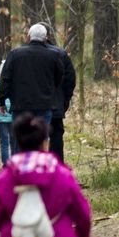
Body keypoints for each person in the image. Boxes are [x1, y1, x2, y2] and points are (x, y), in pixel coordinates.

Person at [0, 24, 65, 133]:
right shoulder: (54, 56)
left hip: (20, 105)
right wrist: (50, 90)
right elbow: (59, 76)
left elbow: (5, 79)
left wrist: (1, 101)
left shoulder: (15, 54)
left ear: (28, 36)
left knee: (21, 139)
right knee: (41, 139)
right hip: (44, 104)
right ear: (45, 38)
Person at [44, 27, 76, 164]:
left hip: (30, 105)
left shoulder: (20, 53)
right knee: (56, 137)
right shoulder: (60, 54)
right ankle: (57, 169)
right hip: (55, 104)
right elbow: (70, 79)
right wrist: (65, 100)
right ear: (49, 35)